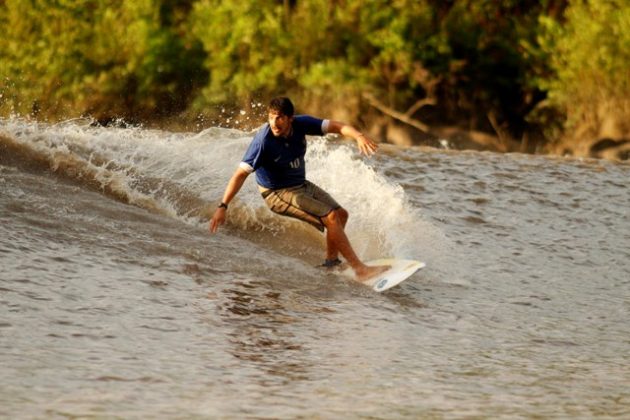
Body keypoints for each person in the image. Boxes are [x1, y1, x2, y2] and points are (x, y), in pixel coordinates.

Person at [209, 97, 389, 282]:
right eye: (271, 117)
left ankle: (331, 262)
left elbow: (336, 126)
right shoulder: (263, 142)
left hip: (300, 184)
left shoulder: (302, 124)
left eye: (279, 118)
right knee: (331, 217)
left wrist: (358, 136)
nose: (274, 123)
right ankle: (360, 269)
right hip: (276, 193)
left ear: (290, 118)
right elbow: (240, 174)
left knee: (341, 214)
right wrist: (223, 206)